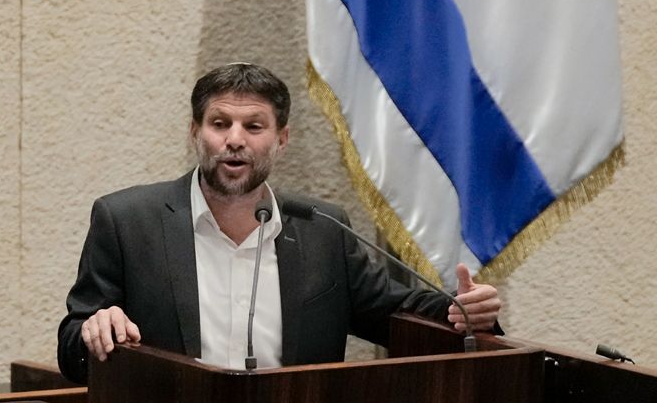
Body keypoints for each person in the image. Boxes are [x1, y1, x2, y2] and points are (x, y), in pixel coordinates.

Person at [56, 63, 502, 383]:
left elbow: (393, 313)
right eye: (219, 123)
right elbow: (72, 345)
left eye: (254, 126)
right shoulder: (127, 222)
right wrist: (94, 329)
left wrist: (462, 311)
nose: (234, 140)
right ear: (195, 132)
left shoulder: (323, 229)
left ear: (281, 140)